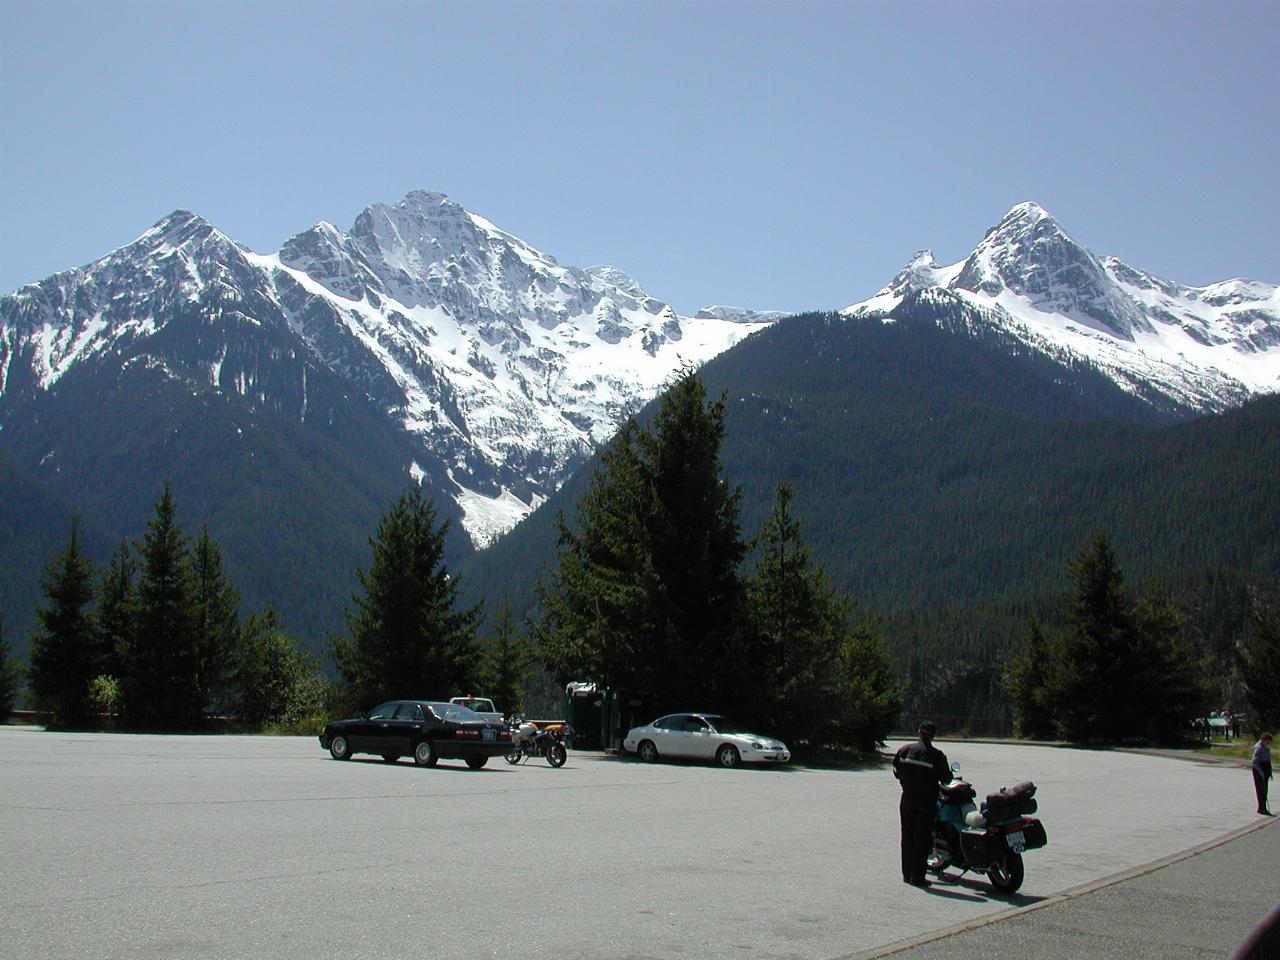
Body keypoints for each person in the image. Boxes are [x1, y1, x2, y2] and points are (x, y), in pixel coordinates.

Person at [893, 720, 951, 888]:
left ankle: (906, 873)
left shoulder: (904, 750)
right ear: (933, 736)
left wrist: (905, 779)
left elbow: (895, 770)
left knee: (907, 835)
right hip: (927, 800)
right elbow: (946, 779)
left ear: (919, 732)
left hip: (908, 798)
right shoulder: (937, 756)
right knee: (922, 838)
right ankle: (917, 877)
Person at [1253, 732, 1273, 816]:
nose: (1268, 743)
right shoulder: (1259, 748)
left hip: (1265, 769)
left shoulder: (1266, 748)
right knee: (1261, 790)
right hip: (1258, 770)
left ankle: (1263, 807)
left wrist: (1270, 772)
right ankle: (1261, 808)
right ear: (1263, 740)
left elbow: (1268, 761)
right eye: (1267, 741)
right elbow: (1254, 761)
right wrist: (1261, 772)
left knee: (1265, 790)